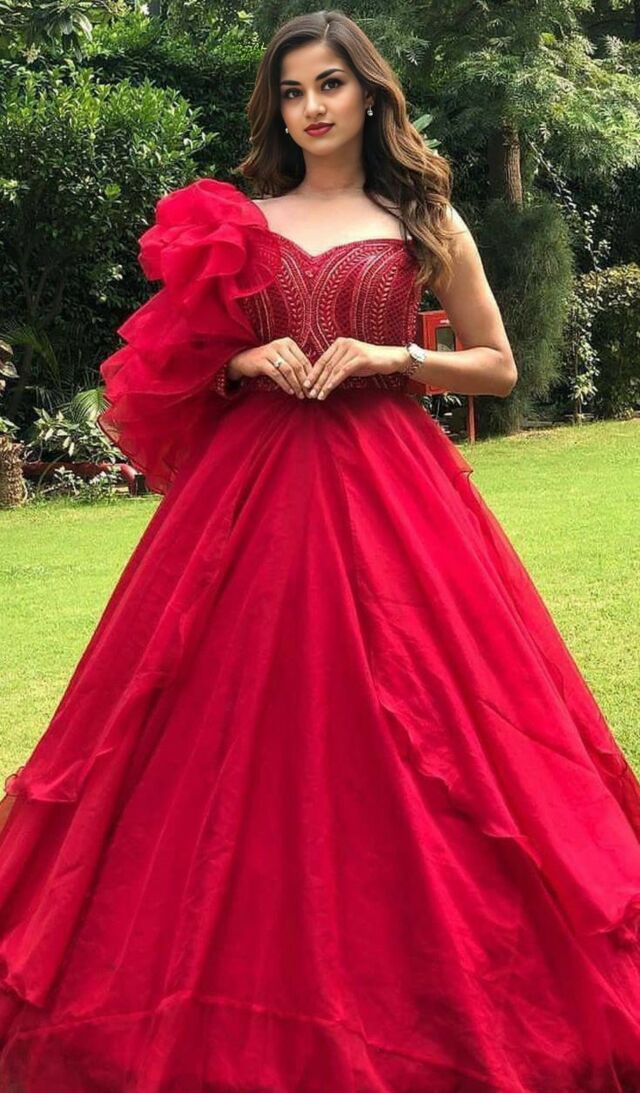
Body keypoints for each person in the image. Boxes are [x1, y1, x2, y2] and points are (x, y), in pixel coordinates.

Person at [1, 9, 640, 1090]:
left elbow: (495, 364)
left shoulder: (423, 217)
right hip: (246, 502)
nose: (312, 107)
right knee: (216, 715)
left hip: (392, 491)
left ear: (370, 93)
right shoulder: (236, 220)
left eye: (331, 84)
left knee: (419, 708)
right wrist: (243, 361)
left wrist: (392, 355)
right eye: (293, 91)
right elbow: (164, 371)